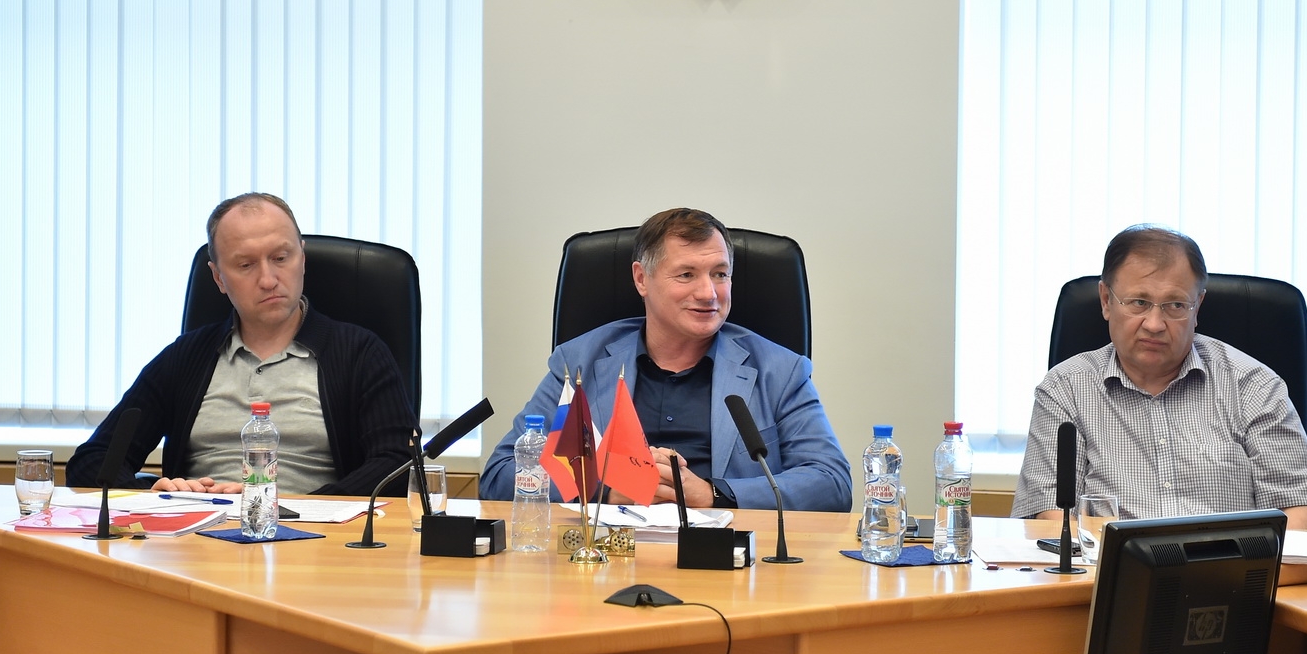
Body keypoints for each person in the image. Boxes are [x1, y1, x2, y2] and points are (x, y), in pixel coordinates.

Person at [481, 208, 851, 511]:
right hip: (606, 557)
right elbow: (500, 475)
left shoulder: (779, 370)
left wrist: (713, 493)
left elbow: (831, 483)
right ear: (642, 279)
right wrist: (603, 491)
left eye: (720, 274)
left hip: (726, 559)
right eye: (686, 275)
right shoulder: (580, 362)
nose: (709, 293)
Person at [67, 192, 417, 496]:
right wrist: (155, 496)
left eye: (281, 258)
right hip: (196, 538)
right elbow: (92, 462)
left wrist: (285, 507)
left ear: (302, 258)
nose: (268, 279)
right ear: (219, 277)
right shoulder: (186, 357)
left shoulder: (359, 354)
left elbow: (397, 466)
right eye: (246, 265)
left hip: (312, 539)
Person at [1012, 224, 1307, 529]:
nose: (1154, 324)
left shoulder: (1254, 387)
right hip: (1108, 565)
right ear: (1106, 300)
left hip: (1231, 565)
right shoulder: (1065, 389)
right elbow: (1048, 518)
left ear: (1197, 306)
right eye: (1139, 303)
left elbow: (1305, 517)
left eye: (1175, 305)